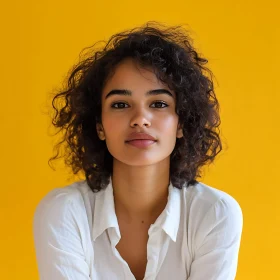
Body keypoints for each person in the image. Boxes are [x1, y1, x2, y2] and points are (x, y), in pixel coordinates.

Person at [33, 21, 243, 280]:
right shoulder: (63, 212)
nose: (140, 119)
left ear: (181, 123)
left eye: (158, 103)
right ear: (99, 126)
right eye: (120, 104)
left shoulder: (215, 213)